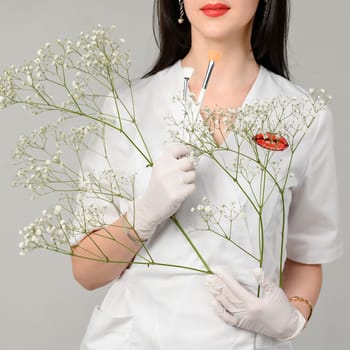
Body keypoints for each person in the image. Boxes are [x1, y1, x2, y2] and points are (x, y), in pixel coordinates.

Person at [70, 0, 343, 349]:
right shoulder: (129, 108)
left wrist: (291, 319)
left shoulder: (304, 116)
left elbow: (307, 255)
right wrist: (143, 216)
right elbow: (87, 272)